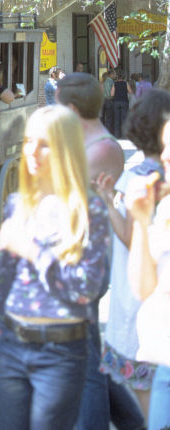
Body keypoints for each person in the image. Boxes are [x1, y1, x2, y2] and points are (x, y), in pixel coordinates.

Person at [0, 105, 111, 430]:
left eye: (44, 143)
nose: (32, 152)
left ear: (66, 147)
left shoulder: (88, 208)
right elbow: (2, 282)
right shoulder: (19, 204)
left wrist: (31, 250)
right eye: (28, 141)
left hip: (61, 349)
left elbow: (87, 287)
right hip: (12, 345)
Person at [56, 72, 135, 430]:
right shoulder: (82, 147)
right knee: (87, 354)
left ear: (72, 109)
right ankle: (134, 422)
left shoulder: (102, 148)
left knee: (84, 364)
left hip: (87, 261)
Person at [100, 90, 170, 427]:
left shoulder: (138, 177)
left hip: (140, 301)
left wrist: (109, 204)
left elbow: (129, 236)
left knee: (146, 400)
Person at [124, 116, 170, 430]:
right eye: (165, 146)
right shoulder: (163, 208)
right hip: (160, 361)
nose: (165, 156)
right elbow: (143, 288)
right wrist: (140, 222)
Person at [109, 70, 132, 138]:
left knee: (116, 119)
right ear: (124, 77)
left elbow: (112, 94)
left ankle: (117, 135)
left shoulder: (115, 84)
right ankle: (124, 135)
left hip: (116, 102)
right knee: (124, 119)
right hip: (124, 102)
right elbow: (131, 92)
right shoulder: (126, 83)